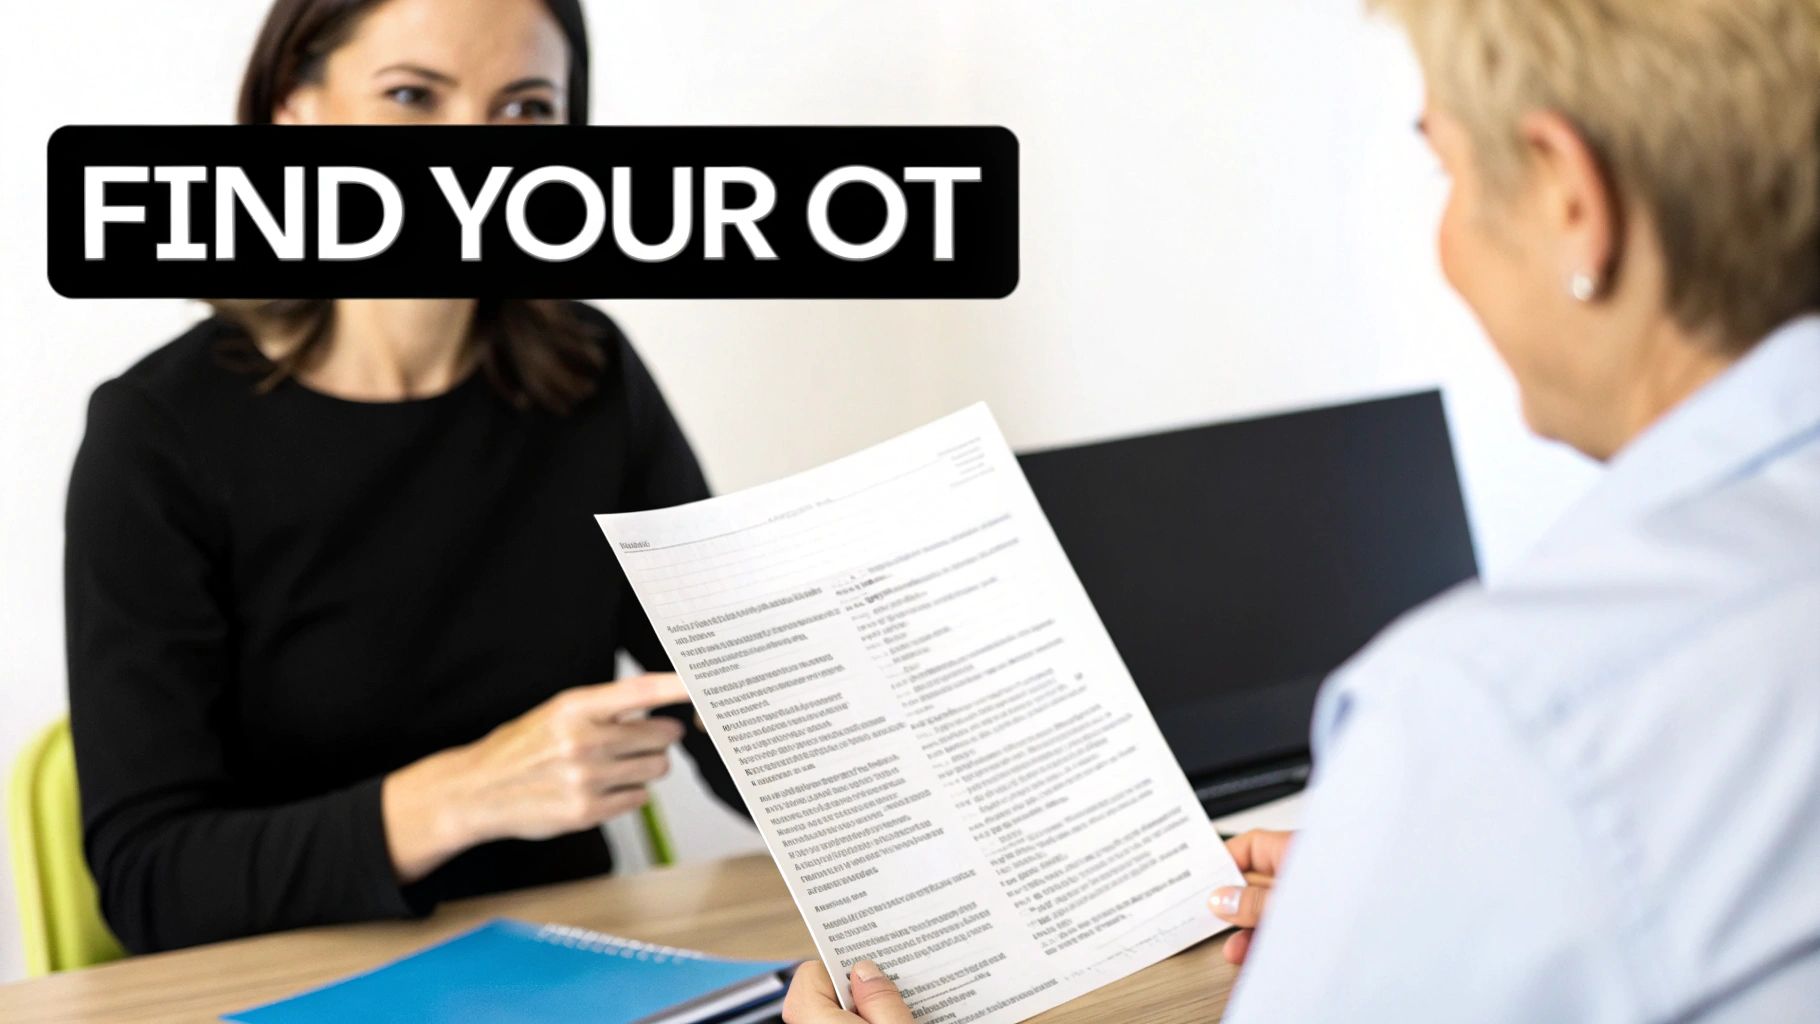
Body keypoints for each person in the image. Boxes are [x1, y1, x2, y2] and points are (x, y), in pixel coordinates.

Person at [785, 0, 1820, 1020]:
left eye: (1444, 169)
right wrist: (1418, 898)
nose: (1445, 237)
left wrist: (1460, 823)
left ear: (1566, 196)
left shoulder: (1499, 713)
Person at [64, 0, 748, 954]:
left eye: (523, 112)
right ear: (291, 119)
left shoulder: (591, 375)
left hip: (572, 966)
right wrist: (469, 793)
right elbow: (151, 882)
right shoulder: (156, 437)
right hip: (284, 982)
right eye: (412, 97)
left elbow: (733, 704)